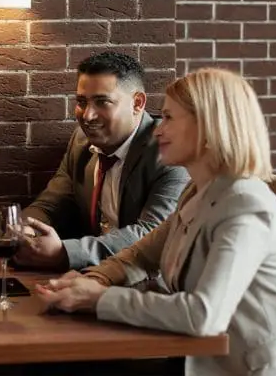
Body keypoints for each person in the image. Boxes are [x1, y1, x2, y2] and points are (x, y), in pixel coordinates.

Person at [37, 68, 276, 376]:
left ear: (210, 126)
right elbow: (141, 254)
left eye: (170, 118)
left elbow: (204, 316)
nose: (158, 130)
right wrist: (95, 279)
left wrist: (99, 299)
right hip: (197, 360)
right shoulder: (197, 191)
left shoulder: (246, 206)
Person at [17, 52, 188, 270]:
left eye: (102, 102)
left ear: (137, 103)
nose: (87, 116)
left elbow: (151, 235)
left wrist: (65, 253)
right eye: (81, 102)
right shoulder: (80, 141)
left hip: (147, 281)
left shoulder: (168, 151)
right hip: (92, 275)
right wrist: (26, 230)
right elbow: (50, 204)